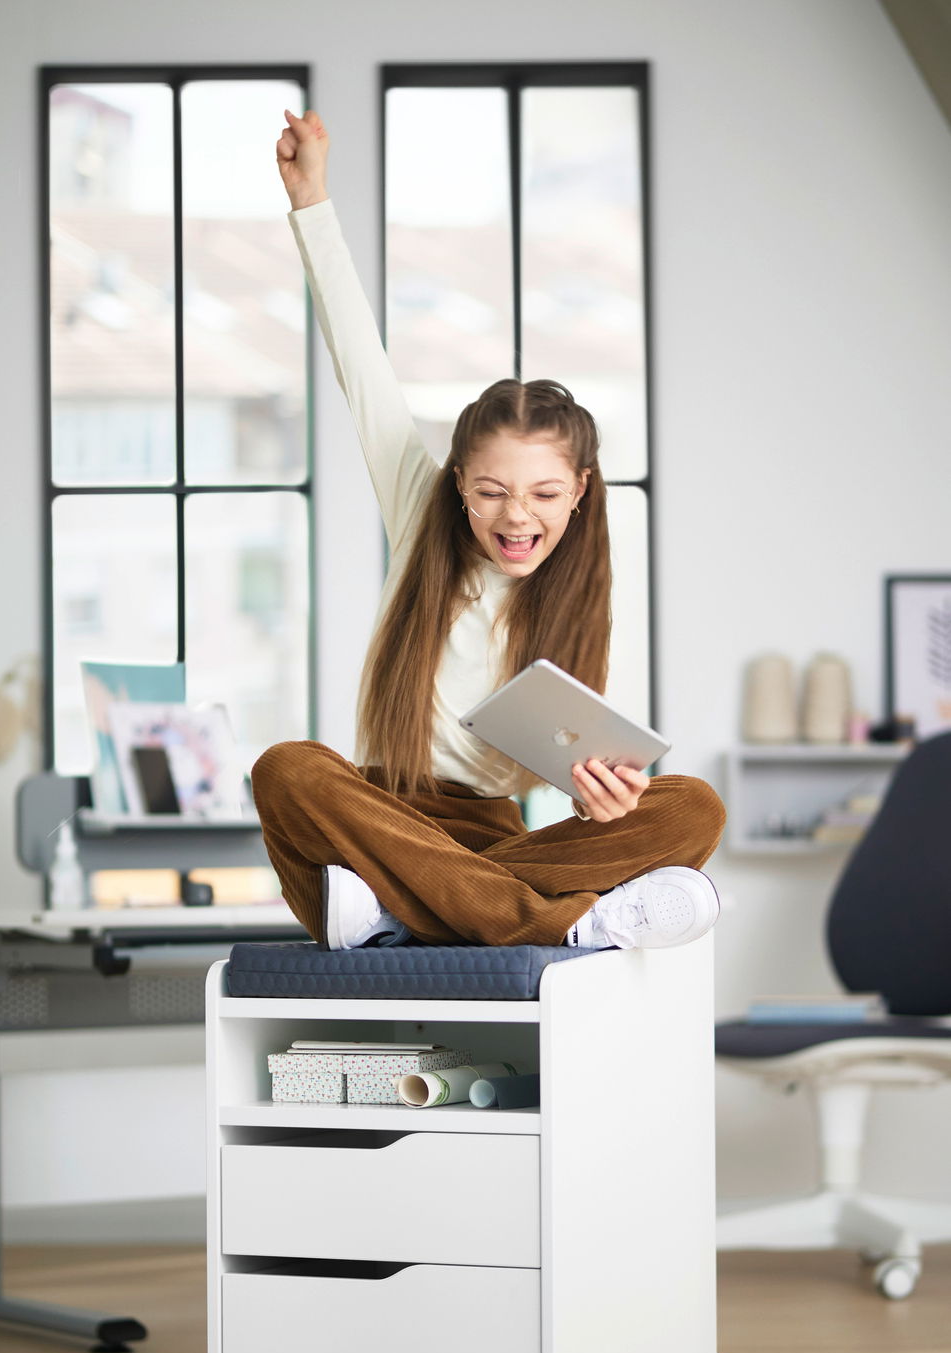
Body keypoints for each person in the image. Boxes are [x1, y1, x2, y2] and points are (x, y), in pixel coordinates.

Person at [252, 108, 726, 952]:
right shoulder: (417, 512)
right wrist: (310, 200)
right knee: (286, 769)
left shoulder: (584, 603)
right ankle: (563, 923)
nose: (516, 515)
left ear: (579, 492)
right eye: (490, 491)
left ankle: (408, 913)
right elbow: (357, 357)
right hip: (378, 824)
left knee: (692, 807)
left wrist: (597, 800)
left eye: (543, 493)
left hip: (493, 843)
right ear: (456, 485)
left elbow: (579, 783)